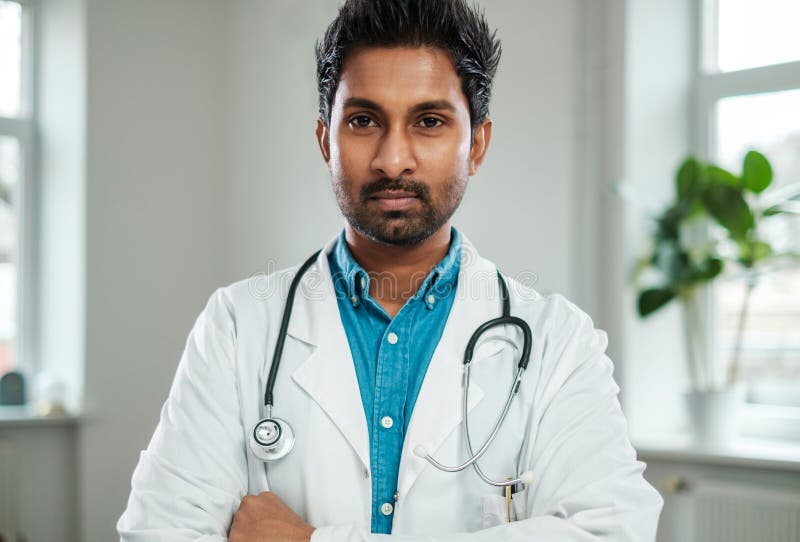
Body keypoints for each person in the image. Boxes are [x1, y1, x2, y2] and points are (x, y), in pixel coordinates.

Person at [118, 0, 663, 540]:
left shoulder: (558, 343)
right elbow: (159, 532)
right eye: (362, 120)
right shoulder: (238, 325)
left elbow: (610, 532)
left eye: (429, 121)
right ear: (324, 141)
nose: (393, 158)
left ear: (476, 144)